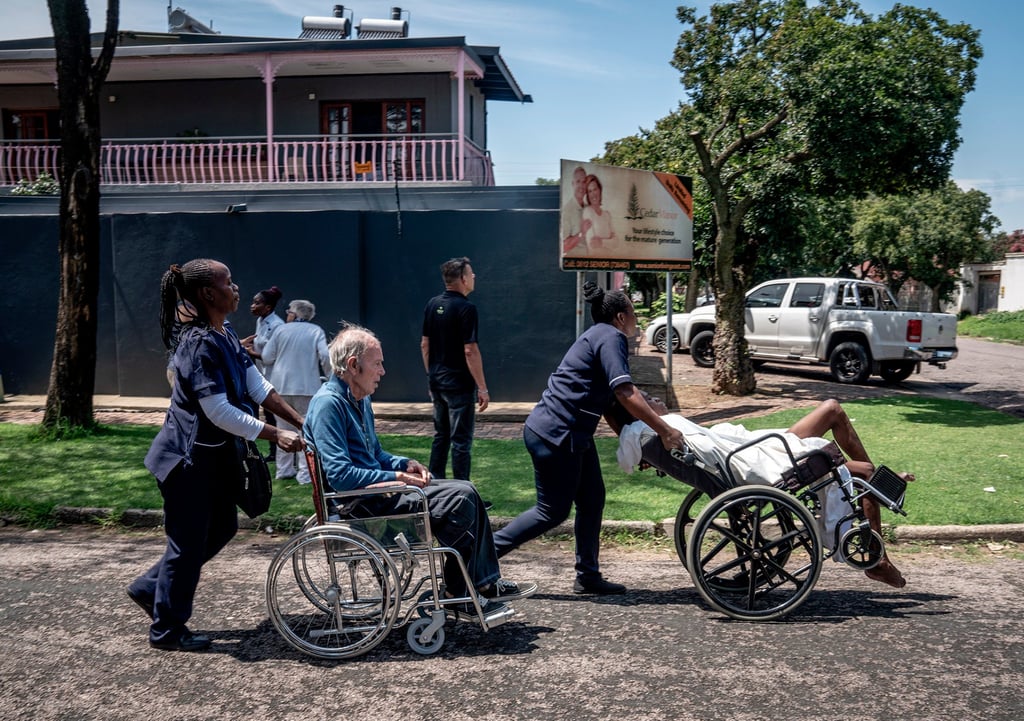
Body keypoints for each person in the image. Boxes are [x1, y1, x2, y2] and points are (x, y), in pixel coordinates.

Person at [127, 259, 305, 652]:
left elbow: (257, 386)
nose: (237, 288)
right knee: (186, 545)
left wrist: (298, 420)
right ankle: (167, 630)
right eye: (229, 282)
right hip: (185, 463)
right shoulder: (199, 344)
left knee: (222, 527)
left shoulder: (222, 334)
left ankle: (148, 588)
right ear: (209, 293)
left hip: (211, 462)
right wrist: (277, 434)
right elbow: (218, 412)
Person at [305, 324, 535, 614]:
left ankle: (481, 583)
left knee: (467, 489)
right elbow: (340, 476)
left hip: (378, 494)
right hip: (361, 505)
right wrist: (396, 477)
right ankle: (460, 592)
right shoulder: (330, 405)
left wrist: (404, 463)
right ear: (353, 365)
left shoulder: (359, 400)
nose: (383, 371)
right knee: (458, 500)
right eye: (377, 364)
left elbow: (374, 454)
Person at [492, 282, 685, 595]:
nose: (636, 320)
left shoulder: (598, 335)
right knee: (551, 511)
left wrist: (640, 446)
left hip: (569, 434)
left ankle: (588, 576)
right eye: (633, 314)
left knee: (592, 498)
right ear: (621, 317)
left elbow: (611, 402)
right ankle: (479, 559)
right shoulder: (611, 337)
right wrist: (665, 430)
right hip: (556, 434)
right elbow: (624, 392)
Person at [616, 396, 915, 589]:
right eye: (648, 400)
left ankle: (873, 484)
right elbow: (730, 458)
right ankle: (878, 559)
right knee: (860, 470)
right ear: (644, 414)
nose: (655, 399)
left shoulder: (667, 427)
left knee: (834, 410)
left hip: (764, 448)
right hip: (764, 460)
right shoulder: (663, 427)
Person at [420, 257, 490, 483]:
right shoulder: (467, 309)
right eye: (471, 273)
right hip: (459, 385)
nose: (474, 277)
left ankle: (433, 487)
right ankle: (463, 493)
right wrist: (483, 388)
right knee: (461, 441)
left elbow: (425, 345)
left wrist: (431, 377)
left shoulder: (432, 304)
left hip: (438, 383)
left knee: (441, 436)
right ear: (462, 279)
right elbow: (470, 350)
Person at [261, 299, 331, 484]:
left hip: (280, 386)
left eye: (289, 311)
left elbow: (267, 357)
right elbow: (325, 356)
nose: (287, 314)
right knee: (306, 429)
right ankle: (305, 473)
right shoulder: (315, 331)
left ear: (294, 314)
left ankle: (284, 470)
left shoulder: (281, 330)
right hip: (307, 387)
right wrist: (330, 377)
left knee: (282, 427)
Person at [241, 285, 284, 461]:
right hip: (261, 373)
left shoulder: (277, 325)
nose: (252, 306)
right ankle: (274, 451)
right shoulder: (261, 321)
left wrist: (253, 353)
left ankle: (280, 451)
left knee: (274, 415)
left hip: (274, 375)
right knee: (266, 414)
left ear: (267, 307)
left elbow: (276, 355)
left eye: (256, 303)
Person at [581, 174, 617, 255]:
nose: (593, 194)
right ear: (587, 195)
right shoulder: (587, 212)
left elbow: (616, 242)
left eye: (595, 189)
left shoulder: (607, 215)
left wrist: (602, 242)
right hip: (596, 262)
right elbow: (592, 244)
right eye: (589, 191)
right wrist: (609, 241)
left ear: (600, 190)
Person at [561, 166, 591, 255]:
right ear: (573, 184)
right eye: (578, 181)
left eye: (584, 182)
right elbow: (563, 247)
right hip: (575, 266)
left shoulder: (588, 208)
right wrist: (582, 233)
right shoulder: (567, 211)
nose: (581, 186)